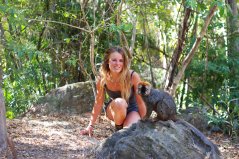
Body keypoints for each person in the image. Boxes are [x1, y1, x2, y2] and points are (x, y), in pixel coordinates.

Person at [80, 46, 146, 136]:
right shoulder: (102, 79)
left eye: (121, 60)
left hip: (132, 110)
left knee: (130, 133)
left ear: (124, 62)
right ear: (108, 61)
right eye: (114, 60)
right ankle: (118, 128)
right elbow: (98, 103)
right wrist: (90, 125)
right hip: (115, 109)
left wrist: (144, 123)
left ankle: (123, 127)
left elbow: (141, 102)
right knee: (120, 103)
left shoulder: (133, 76)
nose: (117, 63)